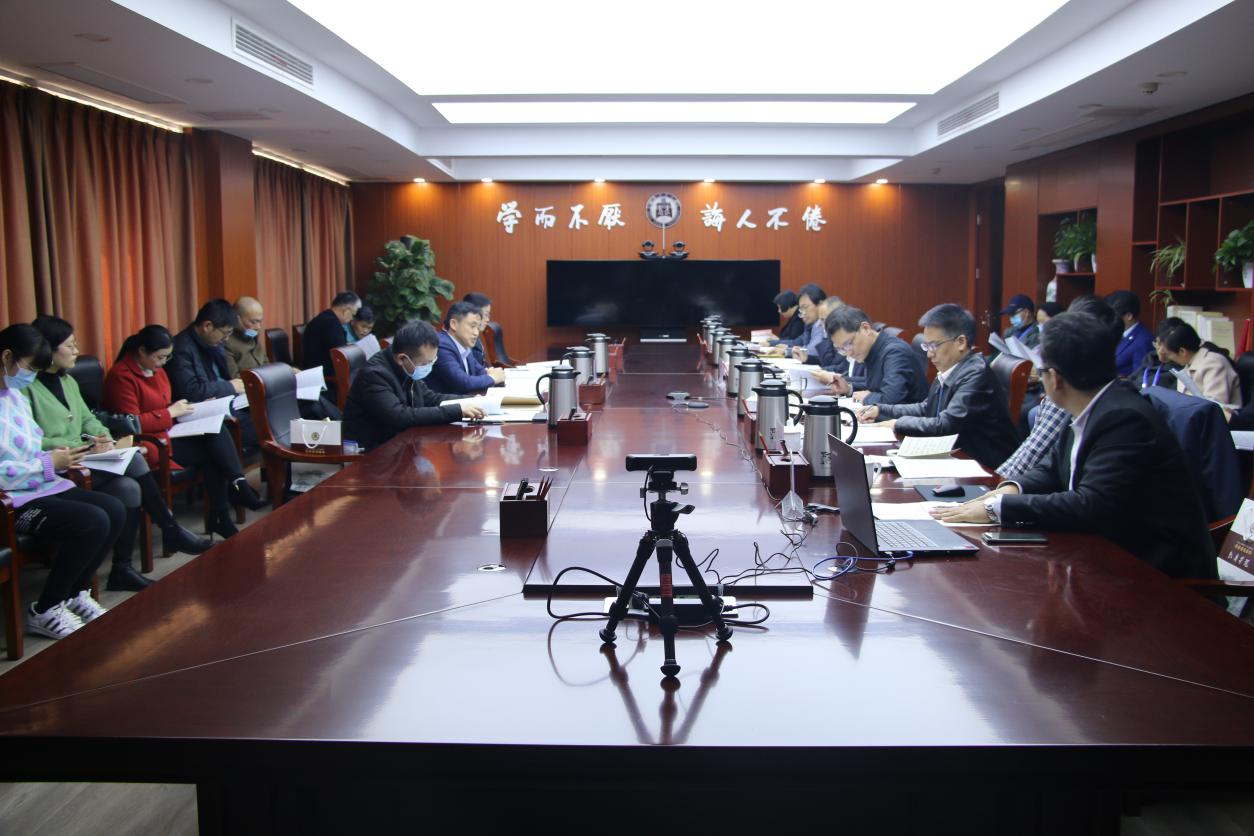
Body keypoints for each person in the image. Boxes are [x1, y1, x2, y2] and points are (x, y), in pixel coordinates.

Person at [931, 311, 1216, 581]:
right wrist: (1011, 489)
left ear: (1055, 378)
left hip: (1152, 576)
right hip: (1103, 557)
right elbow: (1052, 468)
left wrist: (999, 508)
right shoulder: (1091, 405)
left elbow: (1090, 503)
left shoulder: (1124, 419)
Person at [26, 316, 211, 590]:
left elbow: (89, 420)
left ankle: (121, 569)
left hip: (85, 458)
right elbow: (30, 439)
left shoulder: (67, 381)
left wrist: (100, 437)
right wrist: (81, 443)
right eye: (70, 346)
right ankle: (170, 529)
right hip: (57, 466)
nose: (77, 350)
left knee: (129, 488)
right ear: (48, 349)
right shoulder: (27, 388)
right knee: (134, 459)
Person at [0, 324, 123, 639]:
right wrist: (47, 463)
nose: (31, 377)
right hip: (12, 501)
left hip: (39, 484)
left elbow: (31, 444)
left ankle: (75, 593)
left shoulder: (13, 396)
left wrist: (58, 455)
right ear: (7, 356)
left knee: (114, 509)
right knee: (91, 520)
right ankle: (45, 609)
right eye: (29, 368)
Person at [104, 325, 264, 540]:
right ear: (142, 351)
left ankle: (229, 501)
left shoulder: (157, 370)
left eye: (167, 357)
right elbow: (130, 424)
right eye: (160, 357)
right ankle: (232, 497)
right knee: (212, 453)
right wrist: (170, 413)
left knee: (216, 431)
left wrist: (191, 408)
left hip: (168, 432)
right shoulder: (121, 376)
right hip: (149, 443)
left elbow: (164, 404)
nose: (163, 363)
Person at [860, 303, 1019, 471]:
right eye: (926, 346)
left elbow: (946, 424)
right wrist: (880, 410)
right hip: (956, 457)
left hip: (985, 469)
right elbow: (927, 407)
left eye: (934, 346)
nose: (929, 354)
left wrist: (896, 424)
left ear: (961, 342)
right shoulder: (951, 368)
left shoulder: (976, 374)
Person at [997, 296, 1121, 480]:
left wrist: (996, 486)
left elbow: (1033, 455)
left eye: (1042, 370)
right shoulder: (1088, 397)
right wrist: (1008, 487)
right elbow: (1048, 467)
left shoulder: (1113, 416)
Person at [343, 320, 486, 450]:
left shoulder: (407, 366)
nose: (428, 367)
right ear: (402, 359)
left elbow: (429, 398)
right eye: (425, 363)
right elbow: (399, 416)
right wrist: (457, 411)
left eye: (432, 361)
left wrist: (468, 401)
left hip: (401, 444)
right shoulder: (374, 375)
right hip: (373, 452)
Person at [816, 305, 926, 405]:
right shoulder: (873, 350)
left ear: (866, 328)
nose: (848, 353)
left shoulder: (895, 352)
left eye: (848, 344)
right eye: (841, 349)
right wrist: (849, 389)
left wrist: (867, 397)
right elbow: (878, 386)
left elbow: (890, 399)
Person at [1159, 321, 1240, 418]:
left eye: (1169, 354)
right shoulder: (1189, 363)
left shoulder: (1214, 363)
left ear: (1182, 351)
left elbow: (1215, 406)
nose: (1170, 358)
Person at [428, 301, 505, 395]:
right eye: (472, 326)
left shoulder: (464, 345)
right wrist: (493, 378)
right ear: (454, 324)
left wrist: (492, 374)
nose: (476, 333)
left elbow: (481, 371)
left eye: (478, 327)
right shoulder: (442, 346)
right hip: (445, 403)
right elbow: (463, 382)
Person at [303, 291, 360, 377]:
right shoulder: (331, 324)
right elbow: (341, 354)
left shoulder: (326, 317)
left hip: (317, 369)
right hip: (324, 375)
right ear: (346, 311)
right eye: (353, 315)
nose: (352, 319)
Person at [1105, 290, 1155, 378]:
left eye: (1112, 316)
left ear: (1129, 316)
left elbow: (1139, 378)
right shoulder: (1113, 332)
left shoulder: (1143, 341)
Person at [766, 284, 826, 356]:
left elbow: (813, 350)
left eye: (805, 307)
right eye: (801, 309)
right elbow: (799, 342)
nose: (803, 313)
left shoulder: (822, 324)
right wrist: (775, 344)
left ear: (820, 304)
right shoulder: (810, 325)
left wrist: (787, 351)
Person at [224, 296, 267, 379]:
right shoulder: (226, 342)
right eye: (253, 322)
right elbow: (235, 378)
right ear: (237, 319)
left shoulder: (251, 334)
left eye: (260, 322)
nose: (258, 327)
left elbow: (266, 363)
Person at [462, 292, 496, 368]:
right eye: (486, 314)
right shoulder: (464, 340)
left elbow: (481, 367)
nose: (488, 319)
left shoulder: (476, 338)